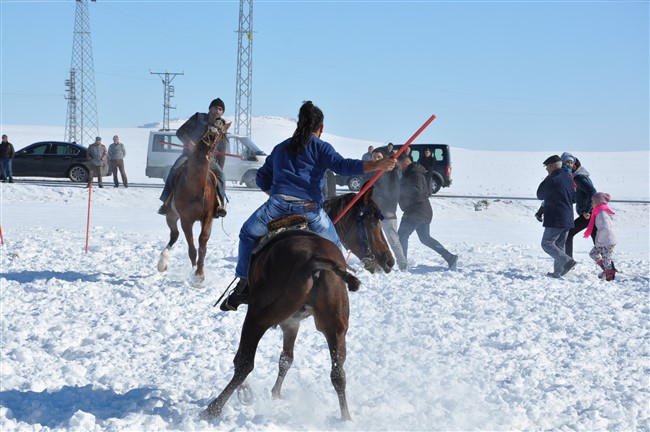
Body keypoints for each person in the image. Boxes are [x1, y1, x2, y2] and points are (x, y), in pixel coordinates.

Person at [220, 101, 397, 311]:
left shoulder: (280, 148)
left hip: (276, 207)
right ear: (320, 128)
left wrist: (276, 195)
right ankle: (335, 288)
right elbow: (343, 166)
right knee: (334, 246)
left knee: (247, 234)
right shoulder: (321, 147)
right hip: (310, 211)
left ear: (299, 124)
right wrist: (377, 165)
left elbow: (261, 178)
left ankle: (243, 283)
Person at [158, 98, 227, 218]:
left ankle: (219, 206)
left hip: (209, 159)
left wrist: (219, 167)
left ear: (222, 113)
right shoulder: (198, 118)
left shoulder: (222, 125)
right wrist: (189, 142)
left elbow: (222, 149)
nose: (217, 111)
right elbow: (180, 132)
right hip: (189, 156)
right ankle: (167, 202)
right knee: (174, 169)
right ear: (210, 108)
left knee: (221, 176)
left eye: (220, 109)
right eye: (215, 107)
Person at [396, 153, 458, 270]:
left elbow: (417, 190)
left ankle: (402, 264)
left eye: (399, 165)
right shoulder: (412, 172)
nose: (398, 168)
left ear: (405, 164)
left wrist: (400, 190)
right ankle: (449, 257)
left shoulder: (415, 173)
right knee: (425, 238)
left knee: (402, 236)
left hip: (416, 211)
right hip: (422, 210)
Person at [536, 155, 576, 278]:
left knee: (547, 243)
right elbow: (574, 197)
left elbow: (540, 194)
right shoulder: (568, 177)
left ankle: (567, 261)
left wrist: (547, 178)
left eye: (547, 167)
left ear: (552, 166)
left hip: (556, 218)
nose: (547, 170)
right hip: (568, 216)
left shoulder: (553, 179)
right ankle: (558, 273)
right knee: (559, 245)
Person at [369, 148, 408, 271]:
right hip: (372, 211)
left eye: (378, 156)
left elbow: (395, 191)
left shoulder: (391, 173)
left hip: (386, 211)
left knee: (392, 239)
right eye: (374, 156)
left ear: (384, 158)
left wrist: (391, 208)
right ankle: (378, 265)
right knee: (375, 240)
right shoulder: (369, 172)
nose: (376, 159)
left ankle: (403, 265)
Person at [561, 152, 597, 257]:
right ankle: (609, 270)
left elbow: (593, 192)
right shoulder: (578, 177)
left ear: (575, 166)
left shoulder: (579, 178)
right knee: (598, 243)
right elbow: (579, 196)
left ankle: (568, 262)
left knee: (568, 234)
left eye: (569, 164)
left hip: (588, 214)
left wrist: (587, 210)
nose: (566, 167)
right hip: (590, 213)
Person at [586, 192, 618, 281]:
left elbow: (605, 228)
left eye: (592, 201)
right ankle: (607, 270)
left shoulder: (602, 213)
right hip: (604, 240)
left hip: (608, 241)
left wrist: (599, 241)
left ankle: (610, 277)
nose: (591, 203)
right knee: (593, 254)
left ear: (598, 202)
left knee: (606, 260)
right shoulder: (599, 212)